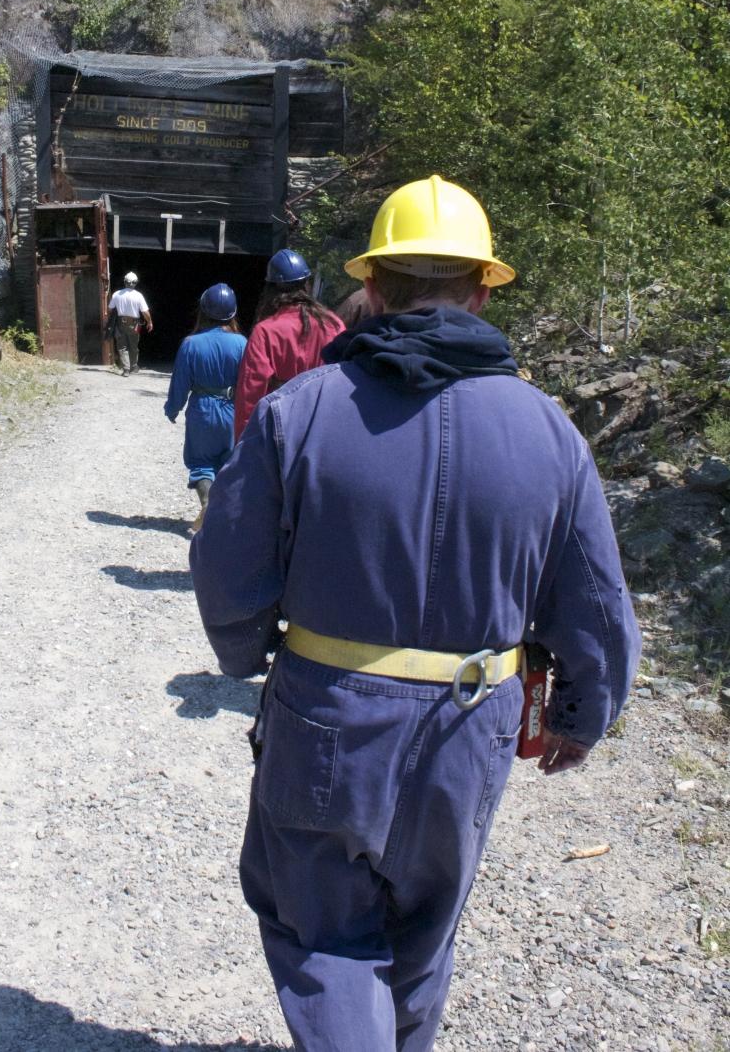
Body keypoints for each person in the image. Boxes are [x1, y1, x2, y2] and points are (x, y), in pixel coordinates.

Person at [190, 174, 641, 1052]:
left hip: (327, 713)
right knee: (425, 936)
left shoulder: (301, 412)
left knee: (323, 933)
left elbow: (228, 568)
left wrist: (246, 653)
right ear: (480, 290)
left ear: (373, 288)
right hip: (471, 724)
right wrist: (582, 716)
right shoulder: (550, 432)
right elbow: (595, 600)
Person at [233, 248, 344, 440]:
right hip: (325, 426)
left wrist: (243, 442)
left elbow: (250, 392)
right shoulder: (335, 324)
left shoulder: (266, 331)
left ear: (271, 289)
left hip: (280, 429)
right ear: (306, 284)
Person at [164, 284, 248, 532]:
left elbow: (180, 382)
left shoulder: (191, 344)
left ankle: (208, 504)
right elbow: (250, 381)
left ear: (203, 311)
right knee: (230, 463)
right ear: (233, 313)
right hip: (232, 409)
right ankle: (227, 518)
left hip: (202, 409)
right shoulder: (243, 343)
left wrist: (173, 408)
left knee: (201, 463)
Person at [108, 271, 153, 376]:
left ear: (125, 282)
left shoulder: (116, 294)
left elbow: (110, 309)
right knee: (133, 345)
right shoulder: (138, 296)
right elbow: (145, 312)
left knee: (122, 346)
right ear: (136, 282)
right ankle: (133, 366)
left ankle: (126, 369)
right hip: (135, 324)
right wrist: (149, 322)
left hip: (120, 323)